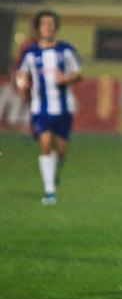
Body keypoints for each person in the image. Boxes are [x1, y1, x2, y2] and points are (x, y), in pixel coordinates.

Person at [16, 11, 82, 205]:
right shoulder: (30, 53)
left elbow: (78, 74)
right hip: (40, 107)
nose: (48, 27)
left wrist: (67, 78)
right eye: (44, 23)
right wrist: (23, 83)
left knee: (61, 151)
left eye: (51, 23)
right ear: (38, 27)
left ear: (56, 27)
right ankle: (49, 191)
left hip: (64, 108)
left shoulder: (66, 50)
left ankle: (54, 173)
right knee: (45, 144)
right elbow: (22, 75)